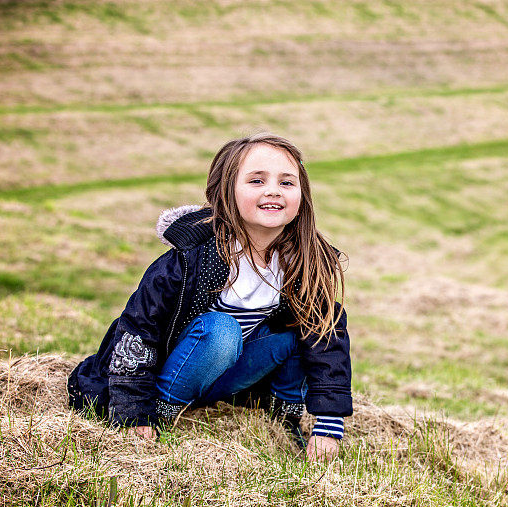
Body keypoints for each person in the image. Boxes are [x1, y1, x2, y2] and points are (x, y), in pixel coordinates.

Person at [67, 132, 352, 462]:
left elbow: (326, 338)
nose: (273, 190)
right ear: (226, 192)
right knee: (221, 329)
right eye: (257, 180)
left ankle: (282, 410)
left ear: (302, 197)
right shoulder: (191, 259)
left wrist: (328, 425)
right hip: (175, 372)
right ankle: (165, 408)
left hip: (227, 377)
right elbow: (138, 330)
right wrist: (134, 411)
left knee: (300, 329)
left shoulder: (301, 263)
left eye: (287, 183)